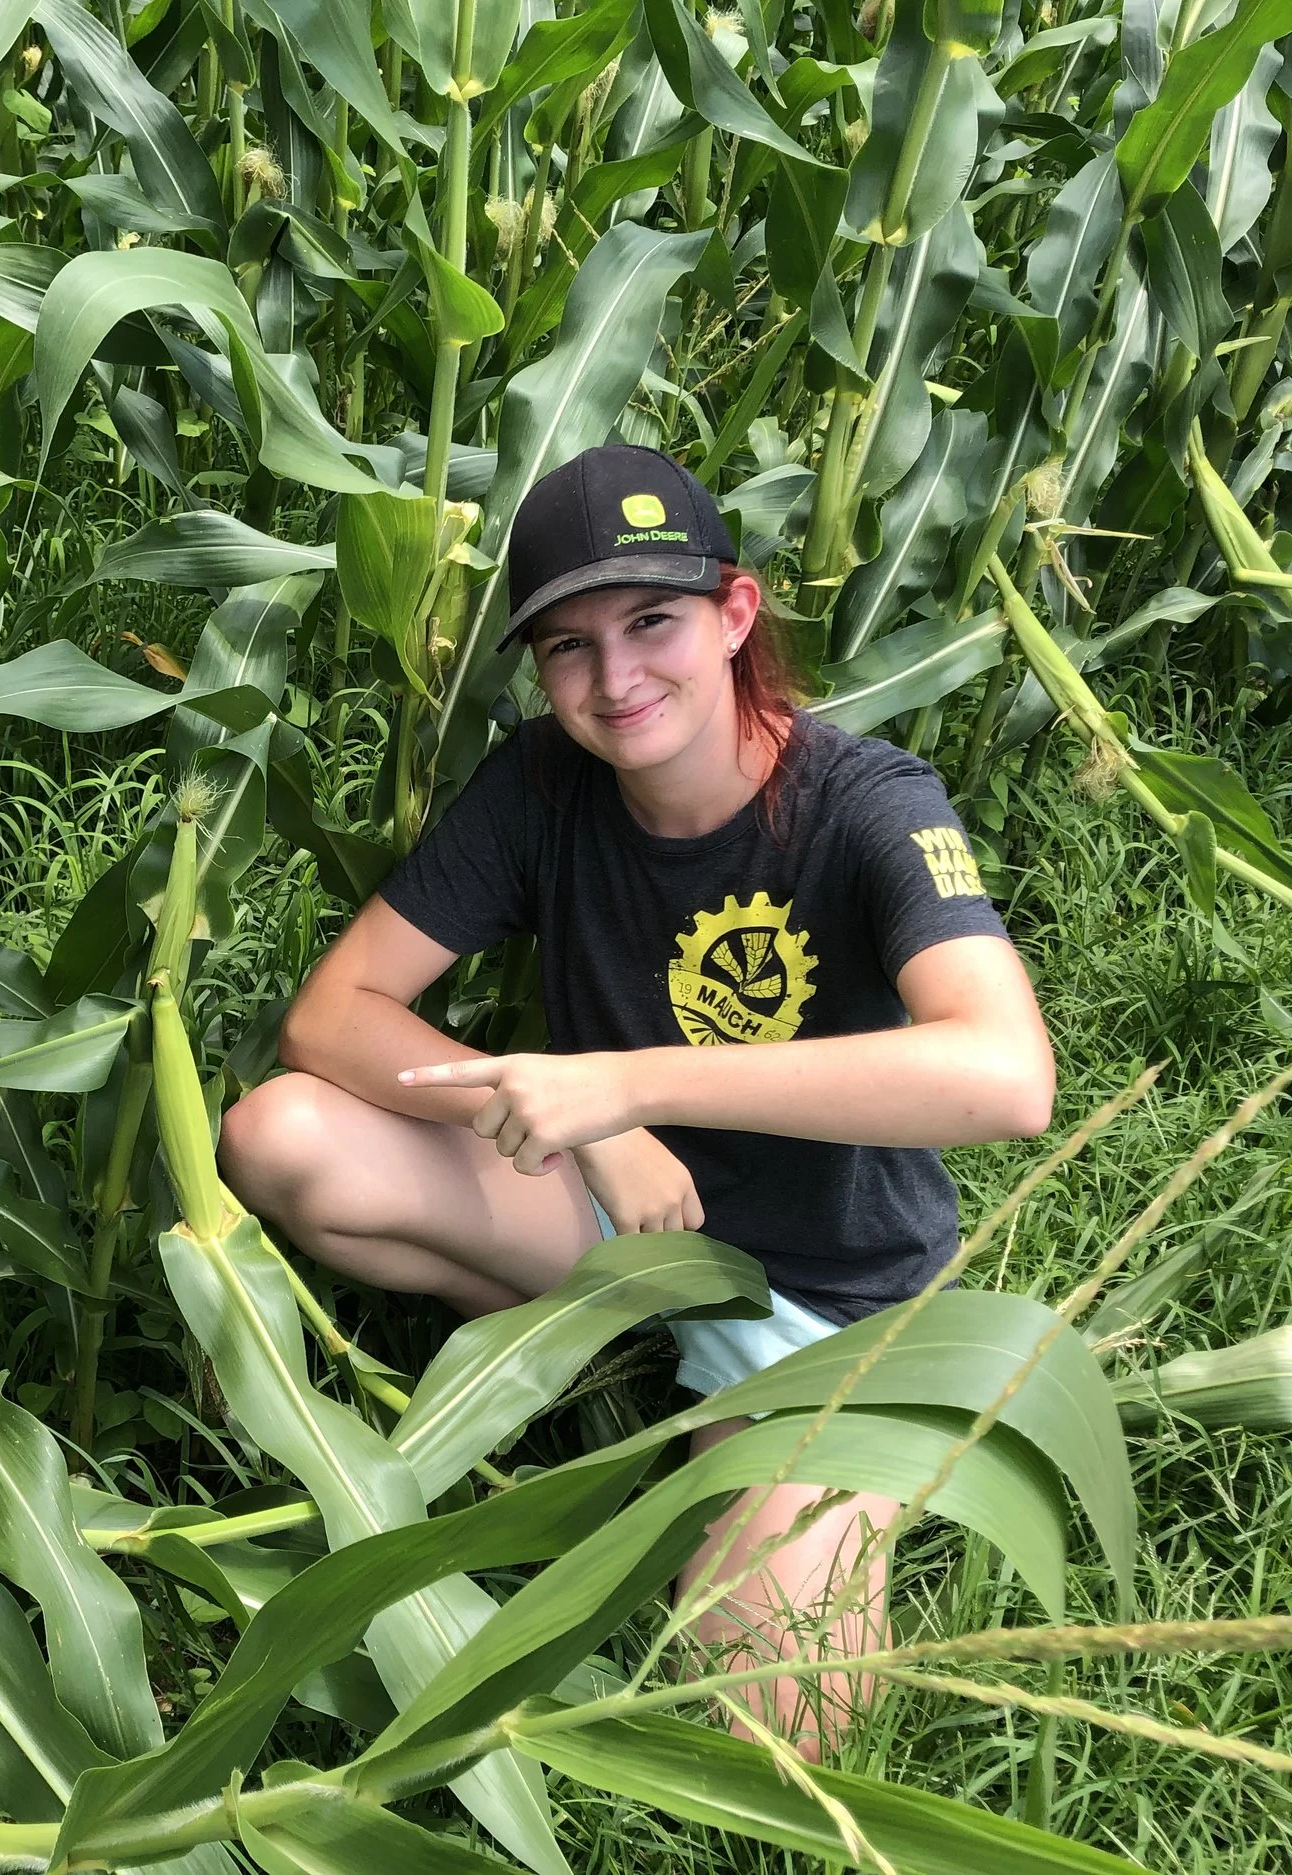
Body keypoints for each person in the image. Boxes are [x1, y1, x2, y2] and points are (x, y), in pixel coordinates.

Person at [218, 442, 1055, 1758]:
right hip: (635, 1239)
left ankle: (751, 1432)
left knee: (763, 1725)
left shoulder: (868, 806)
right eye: (568, 647)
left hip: (836, 1307)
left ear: (734, 614)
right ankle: (632, 1362)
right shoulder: (542, 786)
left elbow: (1006, 1076)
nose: (616, 680)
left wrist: (625, 1085)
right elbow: (331, 1018)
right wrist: (594, 1127)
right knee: (279, 1138)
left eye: (653, 621)